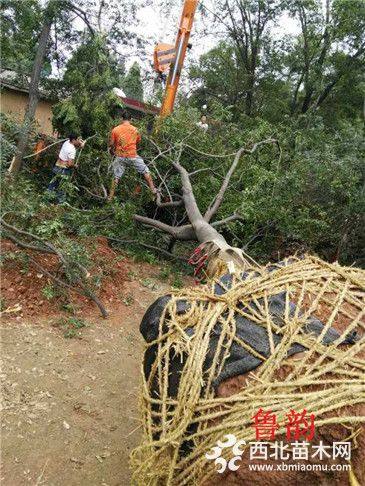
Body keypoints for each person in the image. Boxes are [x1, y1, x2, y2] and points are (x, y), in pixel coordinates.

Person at [108, 110, 157, 201]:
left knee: (116, 177)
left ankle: (110, 197)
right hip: (132, 156)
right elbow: (138, 142)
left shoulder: (115, 129)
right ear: (130, 119)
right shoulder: (135, 130)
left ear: (121, 118)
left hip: (120, 156)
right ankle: (153, 189)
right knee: (145, 171)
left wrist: (112, 152)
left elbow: (111, 145)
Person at [47, 133, 84, 203]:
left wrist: (80, 144)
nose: (79, 141)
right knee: (62, 188)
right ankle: (59, 205)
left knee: (52, 185)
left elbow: (74, 146)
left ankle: (46, 200)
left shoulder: (66, 142)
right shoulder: (72, 150)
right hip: (63, 171)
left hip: (57, 166)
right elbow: (69, 164)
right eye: (78, 140)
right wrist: (75, 166)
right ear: (73, 140)